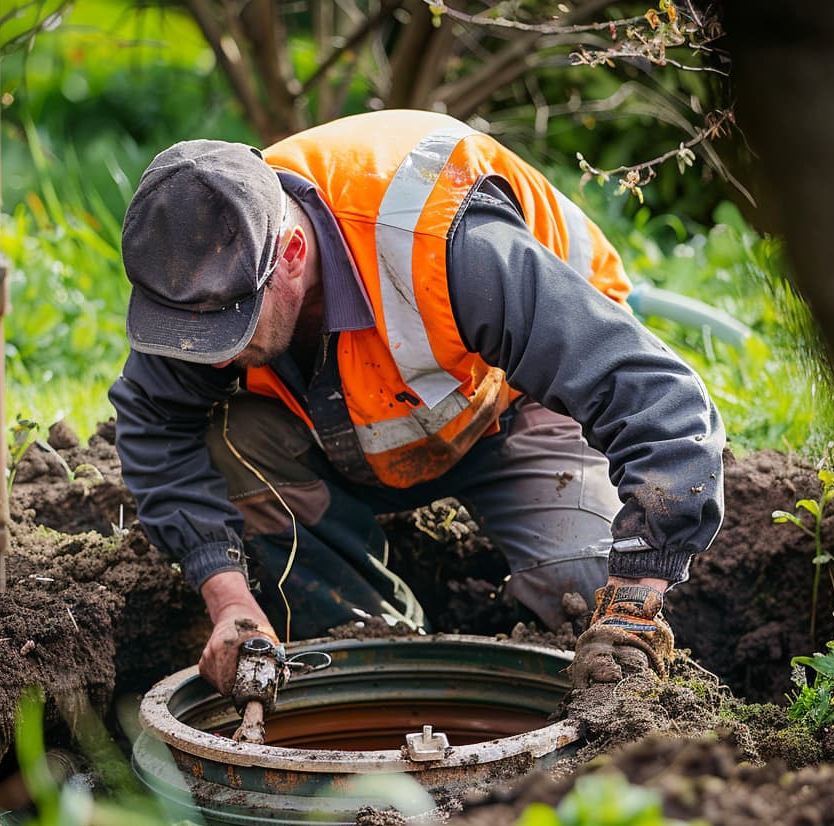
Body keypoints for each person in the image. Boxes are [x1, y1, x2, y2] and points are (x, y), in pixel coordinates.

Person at [109, 109, 725, 696]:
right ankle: (372, 644)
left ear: (291, 256)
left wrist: (634, 604)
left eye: (230, 331)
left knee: (579, 592)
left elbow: (663, 404)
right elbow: (154, 425)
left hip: (516, 410)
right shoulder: (200, 267)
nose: (212, 358)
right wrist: (230, 602)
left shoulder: (445, 241)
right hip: (336, 434)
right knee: (233, 439)